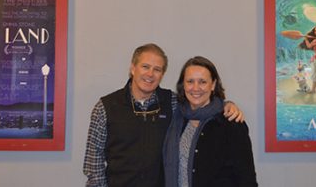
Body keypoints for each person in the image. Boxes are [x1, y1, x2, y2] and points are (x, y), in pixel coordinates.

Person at [83, 43, 244, 187]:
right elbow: (93, 165)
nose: (150, 74)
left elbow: (200, 103)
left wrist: (226, 105)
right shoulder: (106, 107)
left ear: (162, 74)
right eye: (145, 66)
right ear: (133, 68)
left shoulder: (173, 103)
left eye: (157, 69)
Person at [163, 56, 257, 187]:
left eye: (202, 82)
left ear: (213, 84)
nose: (196, 88)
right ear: (183, 85)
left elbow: (247, 177)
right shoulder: (176, 116)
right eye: (190, 81)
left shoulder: (231, 122)